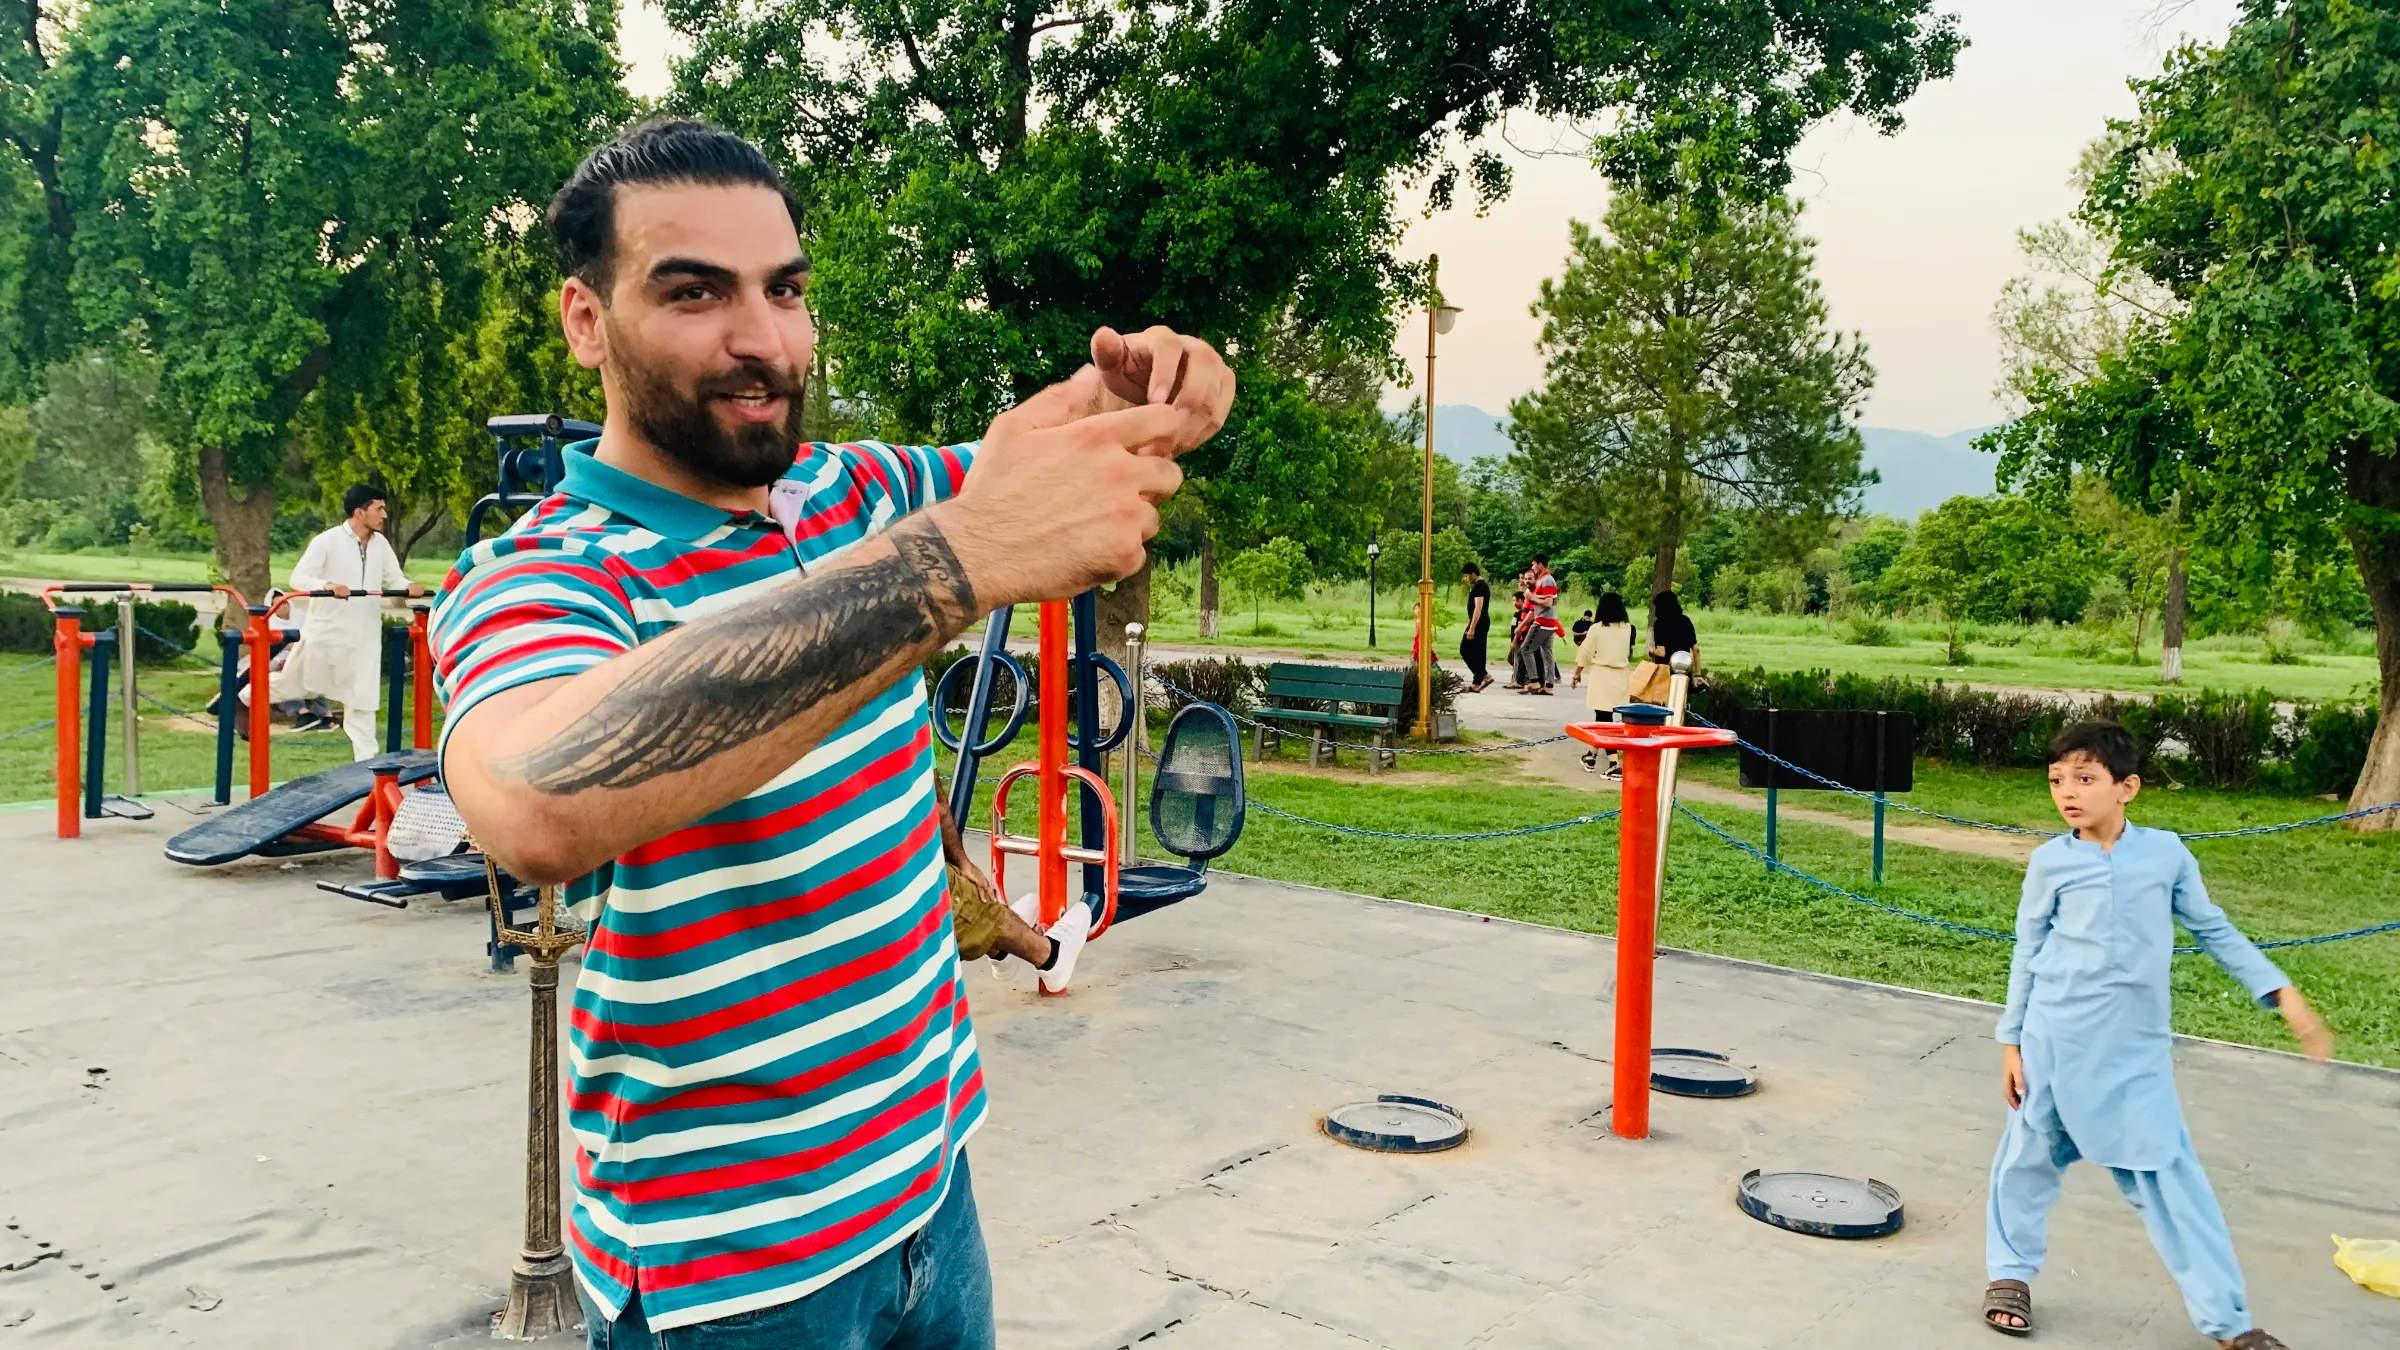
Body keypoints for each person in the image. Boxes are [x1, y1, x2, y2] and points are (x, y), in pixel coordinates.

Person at [430, 119, 1232, 1348]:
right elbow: (533, 798)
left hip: (929, 1186)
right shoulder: (546, 575)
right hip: (734, 1279)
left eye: (786, 291)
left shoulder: (851, 494)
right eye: (694, 292)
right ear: (586, 321)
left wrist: (1162, 392)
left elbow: (1032, 457)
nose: (761, 339)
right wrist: (960, 559)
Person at [1979, 722, 2329, 1348]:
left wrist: (2279, 989)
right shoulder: (2051, 862)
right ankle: (2009, 1275)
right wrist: (2012, 1043)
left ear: (2128, 787)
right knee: (2023, 1165)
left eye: (2085, 779)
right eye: (2057, 781)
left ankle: (2229, 1323)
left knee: (2172, 1180)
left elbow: (2214, 930)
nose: (2068, 793)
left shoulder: (2165, 854)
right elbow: (2027, 951)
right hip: (2052, 1043)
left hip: (2133, 1052)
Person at [286, 485, 424, 759]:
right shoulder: (327, 541)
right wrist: (328, 585)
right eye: (378, 509)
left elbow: (394, 579)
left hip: (364, 636)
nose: (384, 515)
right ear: (360, 513)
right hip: (326, 633)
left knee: (362, 702)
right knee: (291, 684)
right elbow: (298, 578)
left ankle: (368, 772)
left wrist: (409, 586)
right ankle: (241, 699)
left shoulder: (380, 544)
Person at [1570, 592, 1634, 777]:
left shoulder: (1597, 628)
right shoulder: (1627, 628)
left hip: (1602, 674)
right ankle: (1591, 754)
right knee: (1604, 718)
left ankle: (1614, 764)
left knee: (1603, 719)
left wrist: (1577, 674)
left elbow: (1585, 653)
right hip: (1621, 675)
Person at [1514, 554, 1562, 695]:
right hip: (1549, 622)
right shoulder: (1544, 580)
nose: (1533, 567)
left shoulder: (1547, 580)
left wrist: (1532, 598)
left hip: (1543, 622)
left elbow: (1548, 603)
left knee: (1526, 649)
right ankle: (1548, 685)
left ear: (1540, 565)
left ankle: (1534, 681)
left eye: (1534, 564)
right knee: (1547, 654)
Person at [1459, 562, 1492, 692]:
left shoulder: (1480, 587)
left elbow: (1478, 608)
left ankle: (1484, 675)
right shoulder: (1478, 586)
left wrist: (1472, 628)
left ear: (1473, 574)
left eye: (1466, 576)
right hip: (1479, 622)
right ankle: (1477, 681)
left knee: (1465, 649)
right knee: (1478, 651)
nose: (1465, 579)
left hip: (1479, 622)